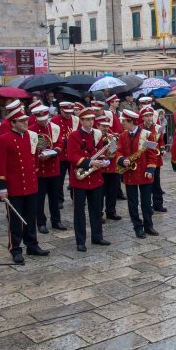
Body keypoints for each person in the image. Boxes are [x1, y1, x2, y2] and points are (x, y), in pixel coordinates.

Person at [0, 109, 50, 263]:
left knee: (31, 218)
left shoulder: (31, 137)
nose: (26, 123)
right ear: (12, 123)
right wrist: (2, 188)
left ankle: (32, 245)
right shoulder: (4, 139)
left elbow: (33, 159)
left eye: (26, 120)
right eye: (21, 121)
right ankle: (15, 248)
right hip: (14, 186)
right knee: (16, 220)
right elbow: (0, 165)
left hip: (30, 184)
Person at [67, 107, 111, 251]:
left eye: (92, 119)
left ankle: (97, 236)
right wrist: (89, 162)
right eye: (87, 120)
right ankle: (80, 241)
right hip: (80, 178)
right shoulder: (74, 136)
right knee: (79, 211)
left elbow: (100, 152)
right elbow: (72, 156)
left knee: (96, 209)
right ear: (81, 121)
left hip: (95, 177)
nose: (90, 122)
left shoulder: (97, 134)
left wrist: (104, 160)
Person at [117, 109, 159, 239]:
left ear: (131, 122)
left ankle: (149, 225)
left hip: (144, 173)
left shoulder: (147, 135)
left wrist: (150, 170)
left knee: (146, 202)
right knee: (132, 203)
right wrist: (121, 159)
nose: (122, 123)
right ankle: (137, 227)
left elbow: (152, 155)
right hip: (129, 173)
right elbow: (118, 151)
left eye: (124, 121)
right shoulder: (122, 136)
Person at [30, 106, 67, 233]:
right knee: (39, 199)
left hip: (53, 167)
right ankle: (41, 223)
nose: (43, 122)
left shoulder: (55, 128)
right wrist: (38, 155)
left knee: (54, 197)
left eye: (45, 119)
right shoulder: (31, 130)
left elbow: (60, 143)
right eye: (40, 119)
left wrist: (54, 152)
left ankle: (56, 221)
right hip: (40, 169)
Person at [51, 102, 79, 208]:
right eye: (65, 112)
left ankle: (75, 197)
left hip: (73, 154)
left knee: (75, 177)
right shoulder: (54, 121)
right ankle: (59, 200)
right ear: (61, 110)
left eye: (69, 112)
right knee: (60, 179)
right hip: (61, 155)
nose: (68, 115)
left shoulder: (76, 120)